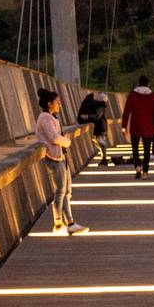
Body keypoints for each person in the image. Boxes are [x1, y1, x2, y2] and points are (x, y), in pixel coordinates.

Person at [35, 89, 88, 234]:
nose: (60, 104)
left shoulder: (51, 117)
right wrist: (67, 142)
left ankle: (69, 223)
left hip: (60, 156)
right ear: (49, 103)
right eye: (57, 102)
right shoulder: (45, 118)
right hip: (54, 158)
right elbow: (54, 138)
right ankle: (60, 224)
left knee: (66, 191)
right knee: (61, 191)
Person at [121, 74, 154, 178]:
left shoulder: (132, 95)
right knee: (147, 149)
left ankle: (137, 167)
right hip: (148, 126)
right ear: (148, 84)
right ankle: (145, 172)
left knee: (135, 148)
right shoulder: (152, 96)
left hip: (135, 125)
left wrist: (124, 126)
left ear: (138, 83)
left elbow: (126, 111)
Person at [77, 89, 110, 164]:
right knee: (99, 141)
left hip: (99, 125)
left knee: (100, 141)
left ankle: (104, 159)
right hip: (99, 124)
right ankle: (104, 158)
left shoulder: (97, 102)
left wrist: (87, 116)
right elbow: (97, 115)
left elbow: (98, 116)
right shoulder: (94, 100)